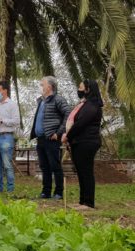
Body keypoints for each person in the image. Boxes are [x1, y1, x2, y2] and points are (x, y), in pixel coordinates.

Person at [62, 79, 103, 209]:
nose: (78, 90)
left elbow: (80, 124)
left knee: (86, 172)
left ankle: (89, 203)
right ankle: (82, 201)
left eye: (81, 87)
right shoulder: (84, 104)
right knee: (80, 171)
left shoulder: (92, 105)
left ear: (88, 89)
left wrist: (67, 136)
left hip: (87, 142)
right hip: (79, 142)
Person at [31, 76, 71, 200]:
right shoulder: (41, 101)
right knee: (44, 166)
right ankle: (46, 191)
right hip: (40, 138)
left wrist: (58, 133)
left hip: (52, 139)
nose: (41, 87)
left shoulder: (58, 99)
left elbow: (68, 114)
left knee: (55, 165)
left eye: (42, 85)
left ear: (49, 86)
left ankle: (58, 192)